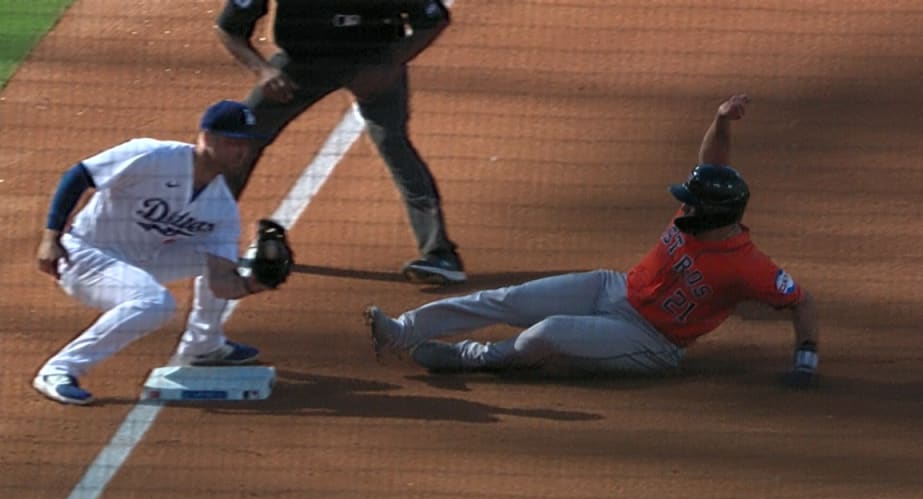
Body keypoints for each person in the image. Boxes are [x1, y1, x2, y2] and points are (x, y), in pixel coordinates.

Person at [365, 94, 821, 387]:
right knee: (510, 300)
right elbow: (712, 162)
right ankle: (402, 331)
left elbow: (800, 301)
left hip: (651, 340)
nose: (686, 205)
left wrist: (806, 359)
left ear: (717, 213)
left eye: (695, 203)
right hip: (613, 288)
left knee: (547, 333)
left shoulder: (747, 265)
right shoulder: (697, 211)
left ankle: (471, 358)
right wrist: (722, 121)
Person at [33, 100, 279, 406]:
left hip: (144, 262)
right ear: (206, 136)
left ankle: (203, 345)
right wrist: (51, 237)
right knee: (156, 303)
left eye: (246, 144)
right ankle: (59, 369)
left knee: (213, 257)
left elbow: (219, 281)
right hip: (84, 256)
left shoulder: (221, 208)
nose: (241, 151)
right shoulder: (153, 155)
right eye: (232, 142)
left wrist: (253, 283)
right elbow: (79, 175)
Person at [214, 0, 465, 284]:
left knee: (393, 143)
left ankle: (440, 254)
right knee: (241, 139)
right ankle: (208, 237)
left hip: (372, 60)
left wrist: (390, 62)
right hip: (301, 63)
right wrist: (263, 71)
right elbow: (228, 28)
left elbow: (433, 18)